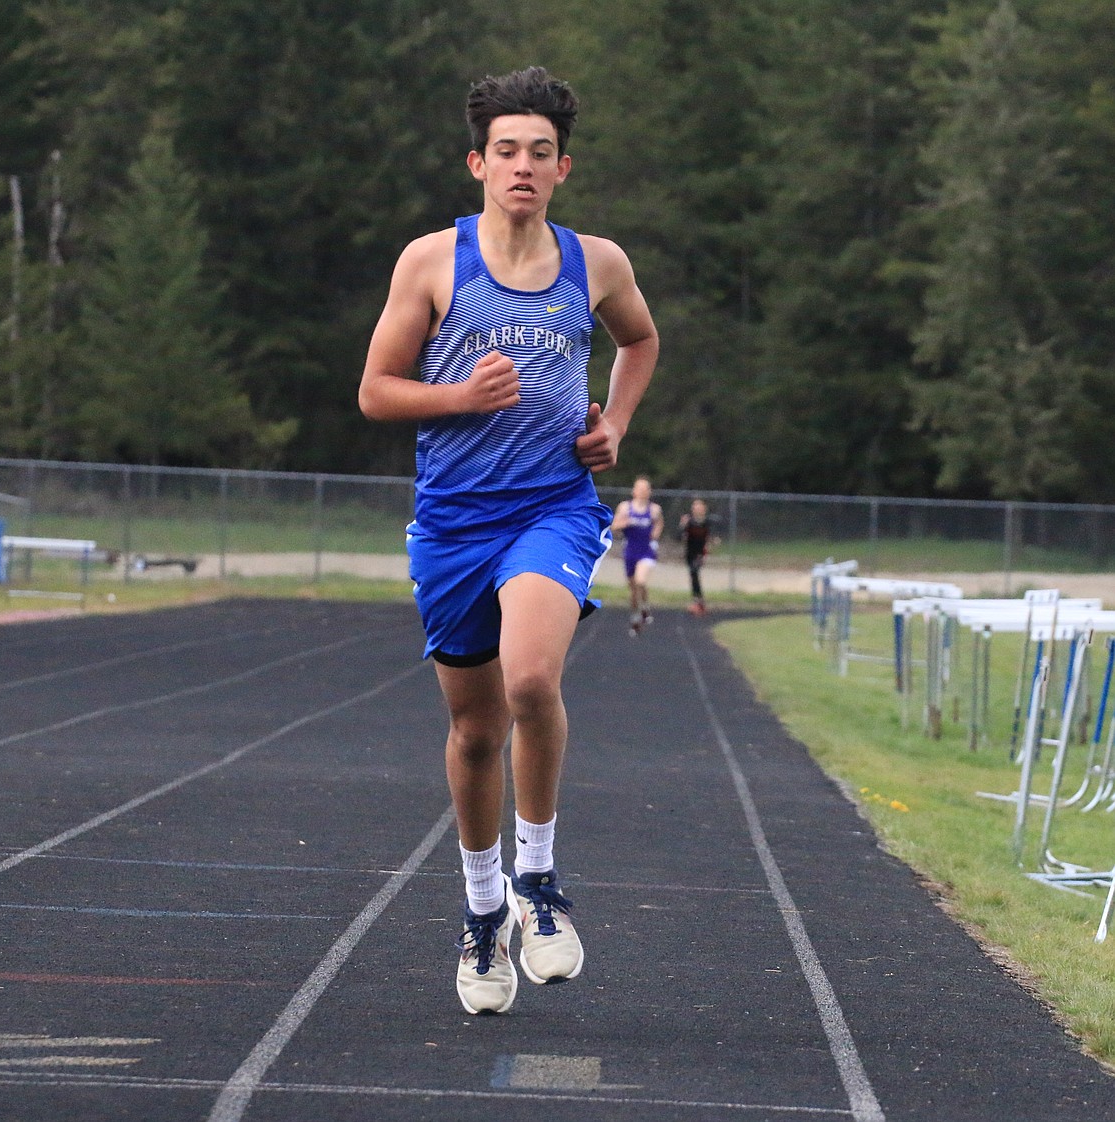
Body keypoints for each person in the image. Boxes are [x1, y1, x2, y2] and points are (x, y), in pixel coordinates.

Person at [358, 66, 658, 1015]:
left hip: (553, 509)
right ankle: (483, 911)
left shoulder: (595, 263)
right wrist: (458, 397)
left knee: (532, 680)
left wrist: (613, 421)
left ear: (562, 167)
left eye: (540, 153)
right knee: (476, 729)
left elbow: (641, 340)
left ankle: (537, 881)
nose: (521, 167)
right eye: (506, 152)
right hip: (453, 522)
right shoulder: (431, 264)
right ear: (477, 163)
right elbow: (375, 391)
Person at [611, 475, 664, 635]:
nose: (642, 492)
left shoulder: (654, 509)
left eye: (645, 489)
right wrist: (624, 523)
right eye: (639, 488)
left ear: (650, 491)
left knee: (641, 581)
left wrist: (655, 533)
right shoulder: (625, 508)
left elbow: (660, 522)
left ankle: (644, 607)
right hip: (630, 550)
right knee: (634, 588)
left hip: (646, 550)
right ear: (634, 491)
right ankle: (636, 615)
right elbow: (614, 526)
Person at [679, 497, 717, 615]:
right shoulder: (689, 522)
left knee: (694, 571)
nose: (697, 510)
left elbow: (711, 536)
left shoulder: (707, 522)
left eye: (700, 507)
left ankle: (698, 601)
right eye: (695, 507)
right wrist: (682, 525)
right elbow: (678, 537)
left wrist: (712, 542)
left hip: (701, 553)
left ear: (704, 509)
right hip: (690, 552)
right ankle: (698, 600)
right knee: (693, 574)